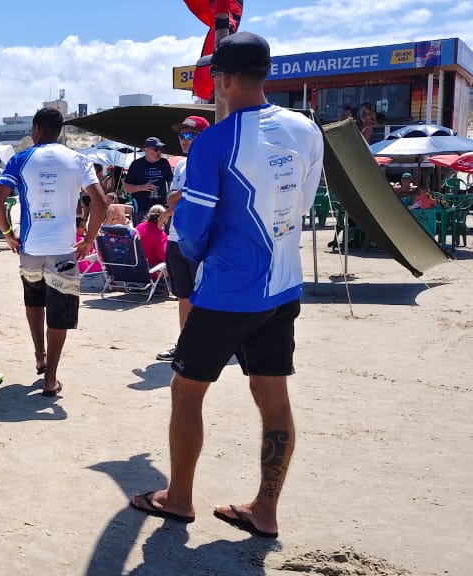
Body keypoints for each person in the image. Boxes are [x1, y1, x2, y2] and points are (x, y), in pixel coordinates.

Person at [130, 32, 324, 540]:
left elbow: (192, 230)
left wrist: (193, 261)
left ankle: (179, 498)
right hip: (283, 285)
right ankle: (265, 510)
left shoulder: (214, 142)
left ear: (224, 78)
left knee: (186, 391)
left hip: (227, 292)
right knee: (273, 395)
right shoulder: (305, 128)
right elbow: (302, 204)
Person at [0, 107, 108, 397]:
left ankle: (39, 356)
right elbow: (100, 203)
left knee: (34, 301)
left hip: (30, 249)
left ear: (35, 129)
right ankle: (50, 379)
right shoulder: (78, 159)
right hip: (64, 251)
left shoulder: (19, 159)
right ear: (60, 131)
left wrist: (7, 234)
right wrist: (89, 239)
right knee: (59, 313)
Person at [156, 114, 211, 362]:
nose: (183, 140)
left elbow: (193, 199)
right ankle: (185, 344)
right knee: (183, 295)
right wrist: (176, 202)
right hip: (176, 237)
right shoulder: (181, 165)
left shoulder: (212, 162)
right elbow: (171, 199)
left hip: (200, 238)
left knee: (204, 295)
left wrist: (178, 198)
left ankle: (205, 346)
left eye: (189, 135)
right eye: (181, 135)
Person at [124, 137, 173, 223]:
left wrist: (171, 198)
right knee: (143, 231)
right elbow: (126, 188)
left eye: (161, 149)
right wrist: (142, 187)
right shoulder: (136, 164)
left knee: (161, 231)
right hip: (142, 209)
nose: (159, 152)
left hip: (160, 209)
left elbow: (171, 183)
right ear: (146, 150)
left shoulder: (164, 163)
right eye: (156, 149)